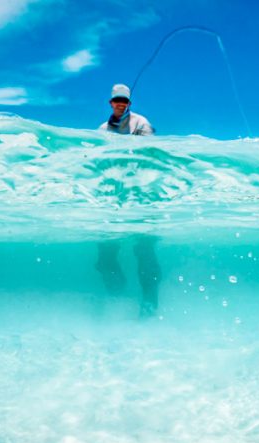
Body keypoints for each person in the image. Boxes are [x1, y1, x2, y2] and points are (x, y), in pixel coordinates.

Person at [96, 84, 160, 316]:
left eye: (124, 100)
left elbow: (151, 155)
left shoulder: (142, 123)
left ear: (129, 104)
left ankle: (149, 303)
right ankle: (116, 296)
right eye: (117, 100)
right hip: (113, 198)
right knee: (104, 256)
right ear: (111, 103)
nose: (120, 103)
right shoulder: (102, 129)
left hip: (141, 196)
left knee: (144, 251)